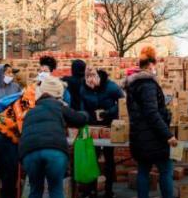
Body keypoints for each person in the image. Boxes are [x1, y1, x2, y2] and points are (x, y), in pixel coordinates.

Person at [19, 76, 89, 198]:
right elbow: (80, 120)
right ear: (59, 96)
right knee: (56, 189)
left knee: (35, 190)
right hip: (55, 151)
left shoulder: (30, 111)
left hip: (29, 152)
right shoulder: (59, 107)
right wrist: (85, 113)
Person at [125, 46, 177, 198]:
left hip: (139, 138)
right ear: (151, 65)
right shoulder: (148, 84)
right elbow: (151, 112)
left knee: (143, 172)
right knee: (166, 171)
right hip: (155, 138)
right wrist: (168, 135)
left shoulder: (133, 85)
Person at [0, 65, 30, 198]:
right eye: (8, 73)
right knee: (2, 165)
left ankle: (10, 190)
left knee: (12, 166)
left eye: (11, 73)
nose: (11, 75)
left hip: (14, 129)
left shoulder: (16, 87)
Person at [79, 66, 124, 198]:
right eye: (89, 83)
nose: (91, 86)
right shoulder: (84, 88)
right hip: (93, 126)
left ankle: (109, 190)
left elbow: (122, 102)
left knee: (109, 159)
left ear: (98, 77)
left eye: (93, 82)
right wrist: (87, 116)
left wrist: (108, 112)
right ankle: (91, 190)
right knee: (92, 158)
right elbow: (83, 107)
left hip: (110, 125)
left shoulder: (111, 86)